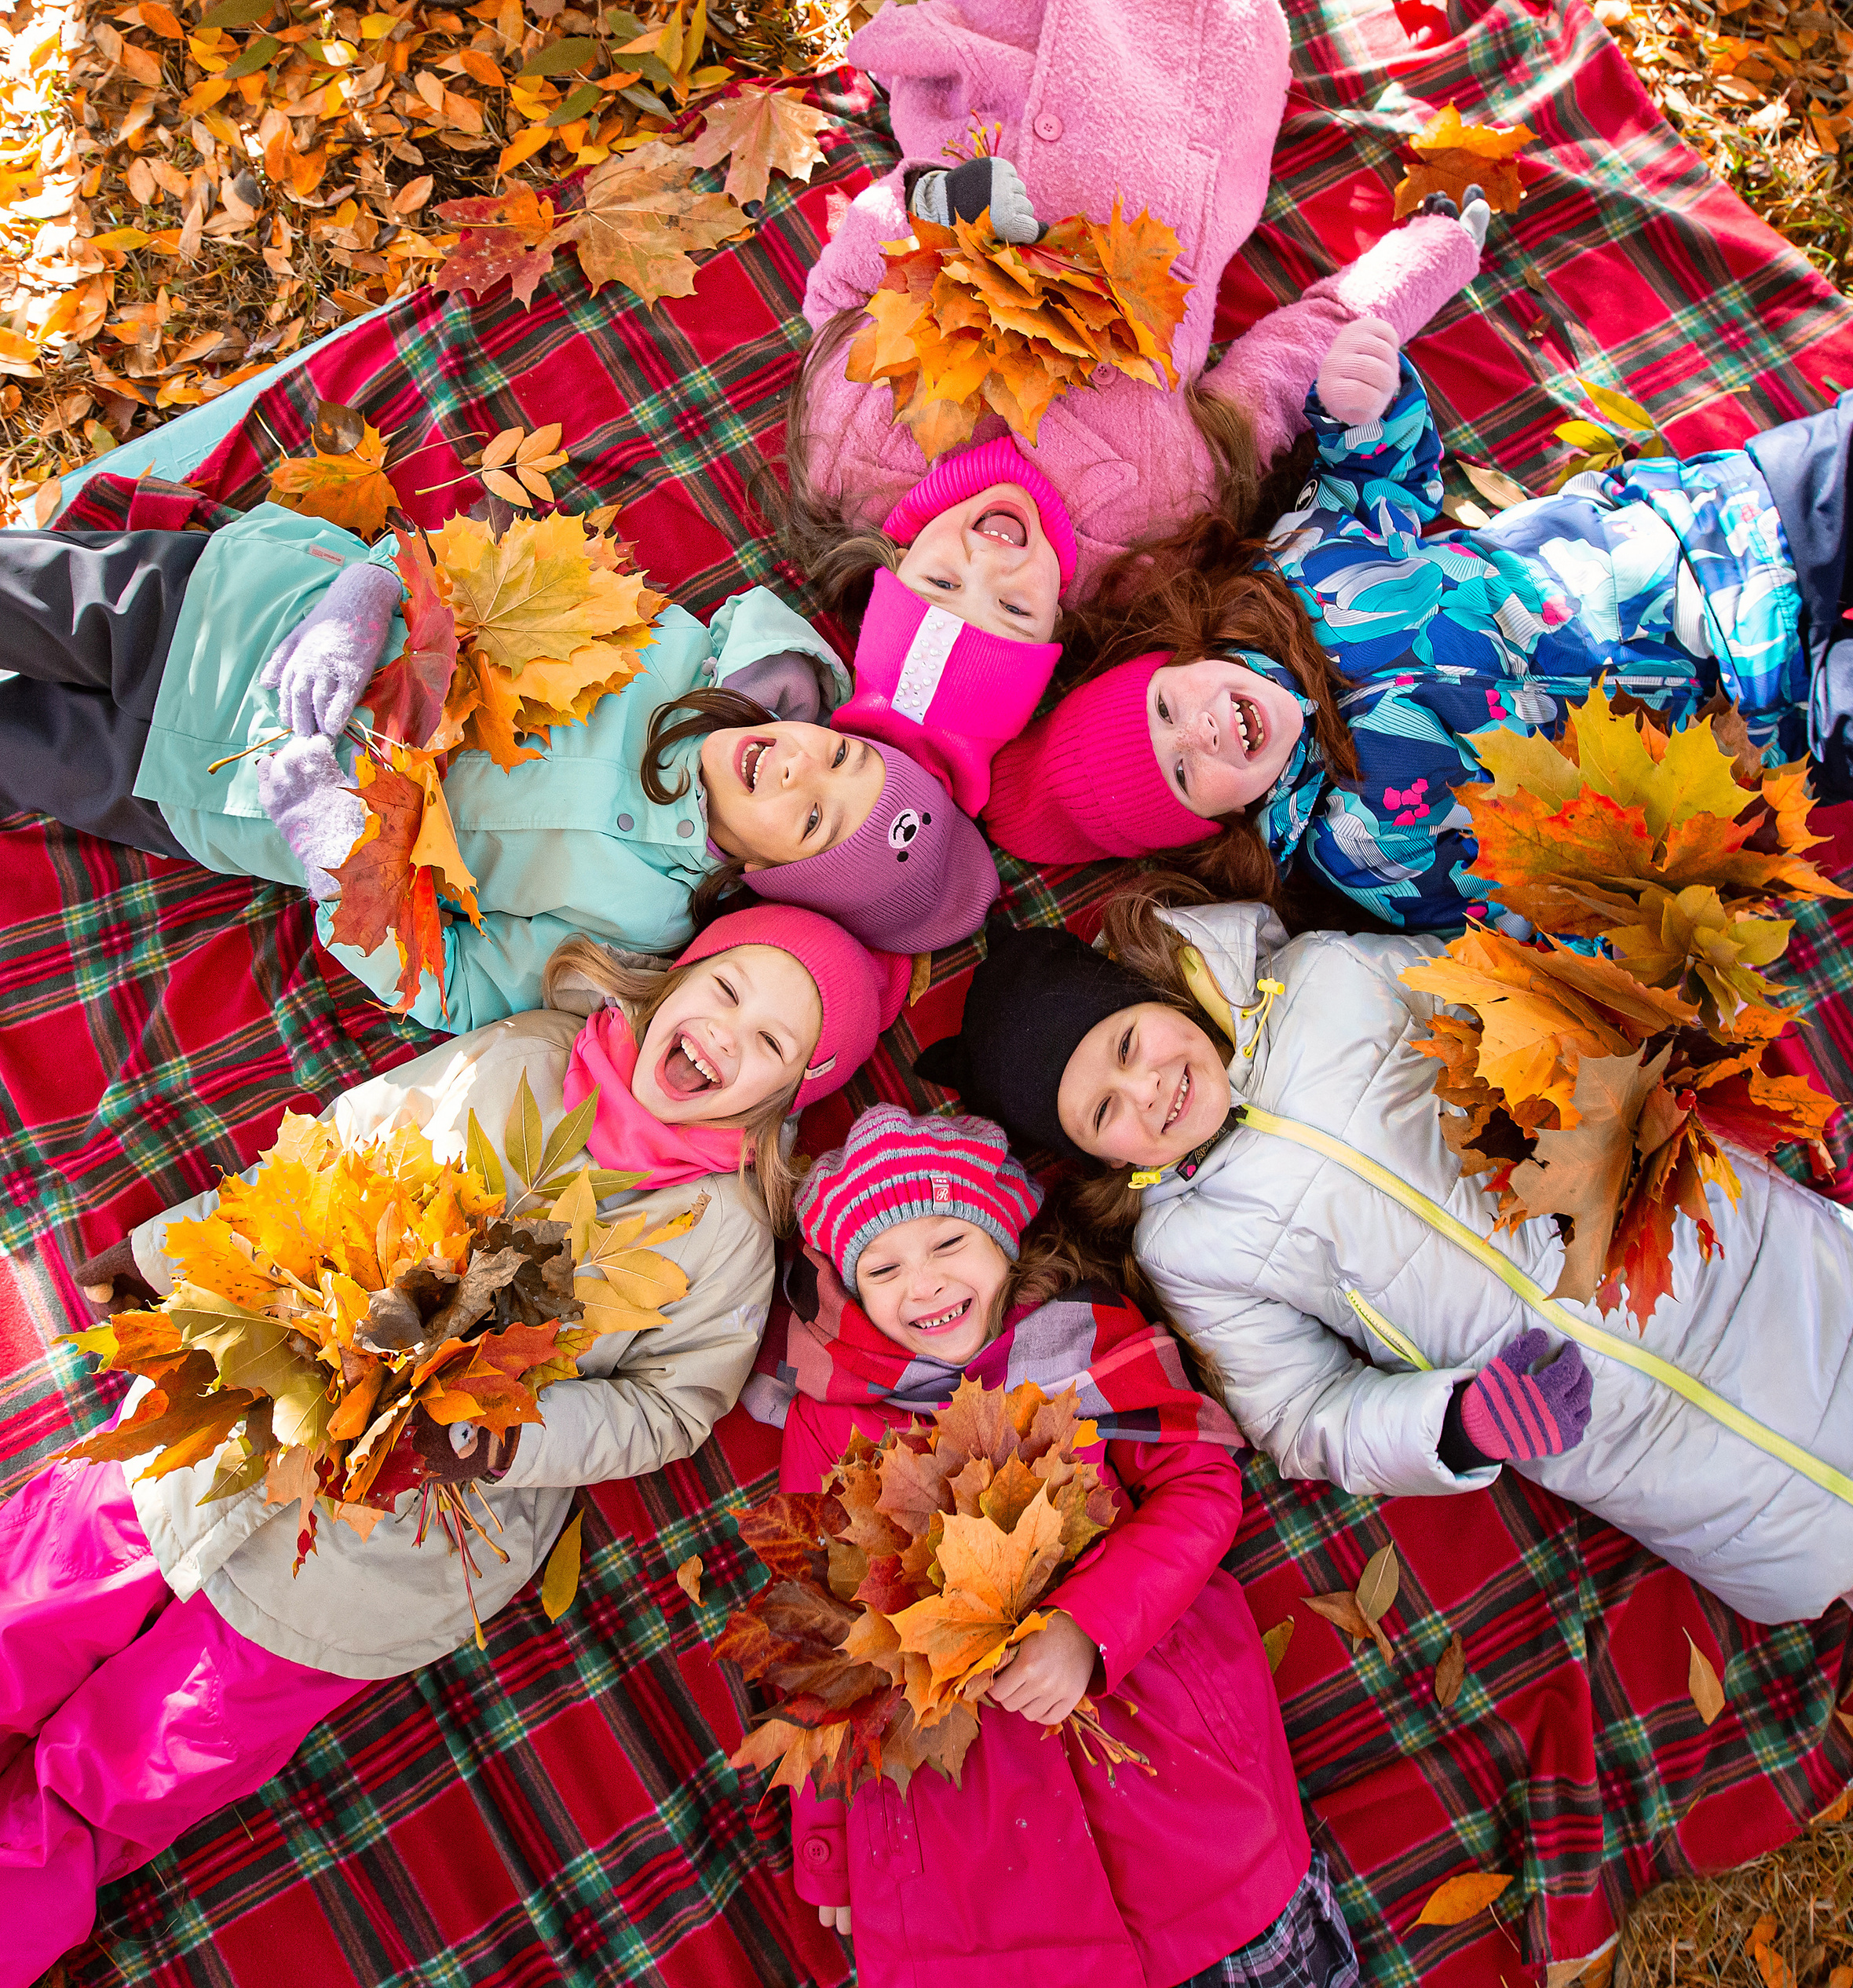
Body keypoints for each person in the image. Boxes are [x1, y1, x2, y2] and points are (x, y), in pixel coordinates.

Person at [0, 904, 908, 1986]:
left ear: (788, 1094)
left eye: (771, 1043)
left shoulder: (727, 1237)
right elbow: (346, 1143)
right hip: (264, 1398)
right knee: (39, 1596)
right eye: (727, 989)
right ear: (676, 980)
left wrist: (504, 1442)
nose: (727, 1033)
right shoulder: (527, 1056)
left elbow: (668, 1411)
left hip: (387, 1545)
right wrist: (173, 1254)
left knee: (136, 1763)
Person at [912, 891, 1853, 1711]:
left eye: (1126, 1045)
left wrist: (1590, 1053)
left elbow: (1512, 992)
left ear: (1151, 994)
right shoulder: (1192, 1247)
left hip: (1727, 1261)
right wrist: (1455, 1423)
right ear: (1095, 1157)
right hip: (1647, 1436)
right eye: (1104, 1112)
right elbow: (1301, 1414)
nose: (1147, 1089)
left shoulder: (1331, 979)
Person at [982, 316, 1853, 931]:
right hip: (1762, 731)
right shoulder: (1356, 851)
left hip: (1704, 540)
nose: (1199, 730)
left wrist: (1363, 406)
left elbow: (1375, 482)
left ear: (1181, 658)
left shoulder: (1288, 579)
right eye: (1181, 770)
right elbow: (1537, 899)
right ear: (1214, 827)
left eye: (1166, 708)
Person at [766, 0, 1487, 813]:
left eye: (940, 580)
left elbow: (843, 293)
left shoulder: (856, 452)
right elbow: (1278, 377)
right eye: (1013, 607)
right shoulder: (1150, 530)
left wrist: (932, 205)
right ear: (1055, 630)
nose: (990, 557)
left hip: (998, 76)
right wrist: (1430, 259)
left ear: (894, 563)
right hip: (1197, 105)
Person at [741, 1104, 1357, 1988]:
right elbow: (819, 1639)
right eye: (883, 1267)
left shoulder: (1090, 1344)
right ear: (851, 1291)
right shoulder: (831, 1422)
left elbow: (1201, 1487)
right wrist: (829, 1839)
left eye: (949, 1241)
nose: (924, 1283)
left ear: (1003, 1238)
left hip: (1174, 1785)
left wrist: (1087, 1625)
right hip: (971, 1860)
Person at [0, 506, 999, 1030]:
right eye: (840, 756)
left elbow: (462, 991)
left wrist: (338, 856)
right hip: (239, 615)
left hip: (220, 790)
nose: (797, 769)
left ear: (772, 876)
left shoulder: (639, 923)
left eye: (815, 818)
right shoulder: (677, 650)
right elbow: (491, 571)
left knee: (20, 750)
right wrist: (367, 590)